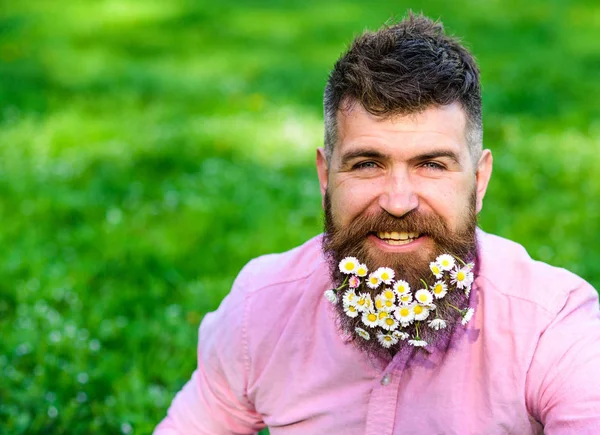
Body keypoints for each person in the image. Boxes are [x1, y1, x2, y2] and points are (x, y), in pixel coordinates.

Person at [154, 13, 600, 434]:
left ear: (479, 180)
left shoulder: (551, 327)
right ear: (326, 176)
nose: (399, 201)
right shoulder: (260, 309)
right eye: (368, 164)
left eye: (431, 164)